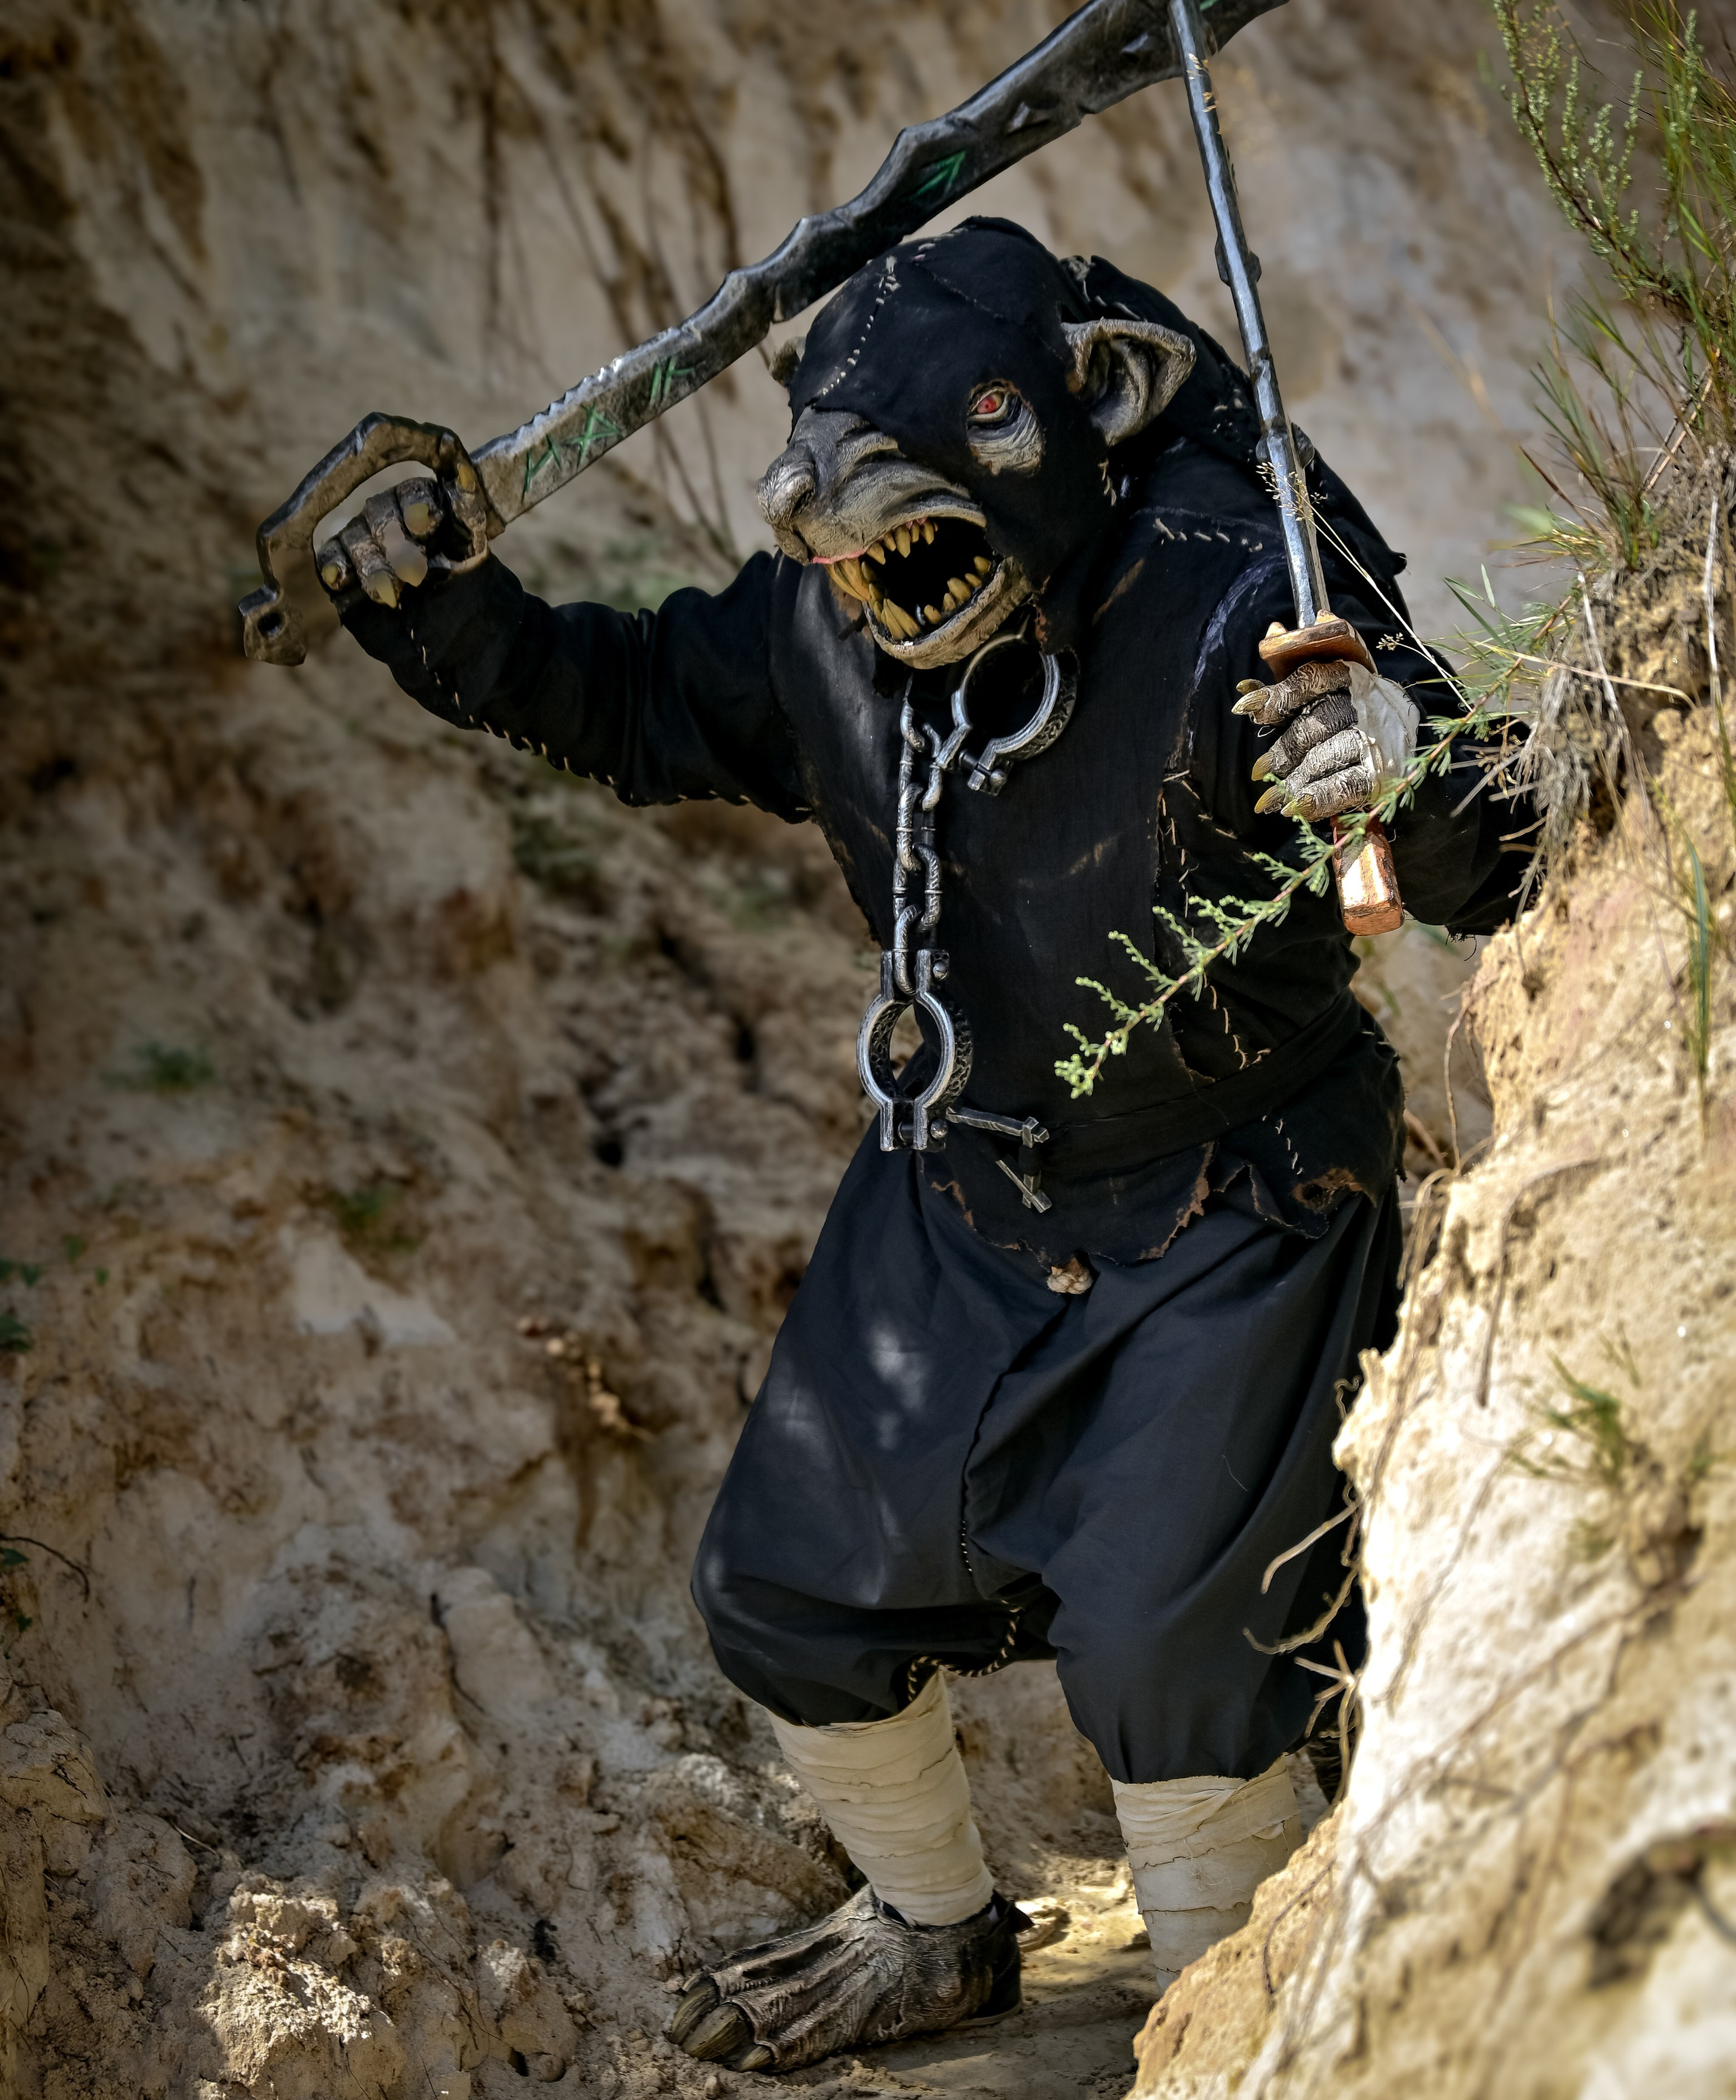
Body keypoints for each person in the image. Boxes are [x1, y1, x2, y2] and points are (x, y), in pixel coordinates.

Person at [324, 221, 1526, 2072]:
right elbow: (634, 699)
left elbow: (1493, 856)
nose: (844, 523)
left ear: (1098, 404)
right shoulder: (832, 610)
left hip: (1239, 1202)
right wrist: (440, 618)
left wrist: (1398, 754)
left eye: (973, 427)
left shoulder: (1237, 586)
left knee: (1175, 1669)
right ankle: (934, 1932)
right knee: (786, 1582)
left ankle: (1246, 2023)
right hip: (961, 1186)